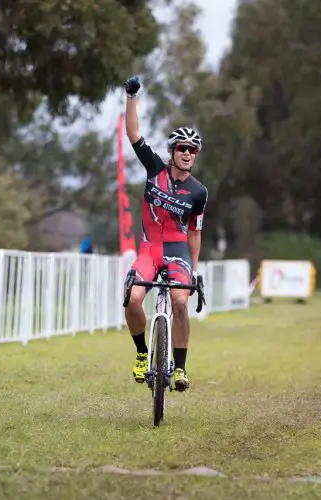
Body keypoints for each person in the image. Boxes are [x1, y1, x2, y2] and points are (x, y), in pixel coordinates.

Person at [122, 76, 208, 392]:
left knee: (180, 301)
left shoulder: (199, 192)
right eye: (183, 148)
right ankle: (142, 355)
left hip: (178, 252)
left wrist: (194, 272)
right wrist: (132, 95)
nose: (187, 153)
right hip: (148, 249)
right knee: (132, 298)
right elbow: (134, 134)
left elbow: (195, 234)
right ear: (172, 151)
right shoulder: (155, 170)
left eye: (193, 150)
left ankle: (181, 369)